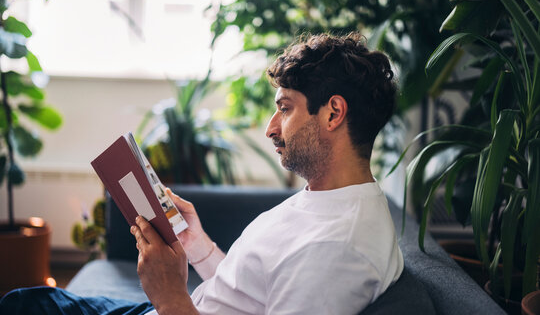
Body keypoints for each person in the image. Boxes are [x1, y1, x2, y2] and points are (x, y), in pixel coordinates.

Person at [0, 32, 403, 314]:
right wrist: (197, 244)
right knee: (24, 302)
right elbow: (250, 294)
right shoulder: (329, 198)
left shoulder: (335, 251)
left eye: (285, 108)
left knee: (21, 306)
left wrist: (171, 295)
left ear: (333, 113)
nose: (270, 127)